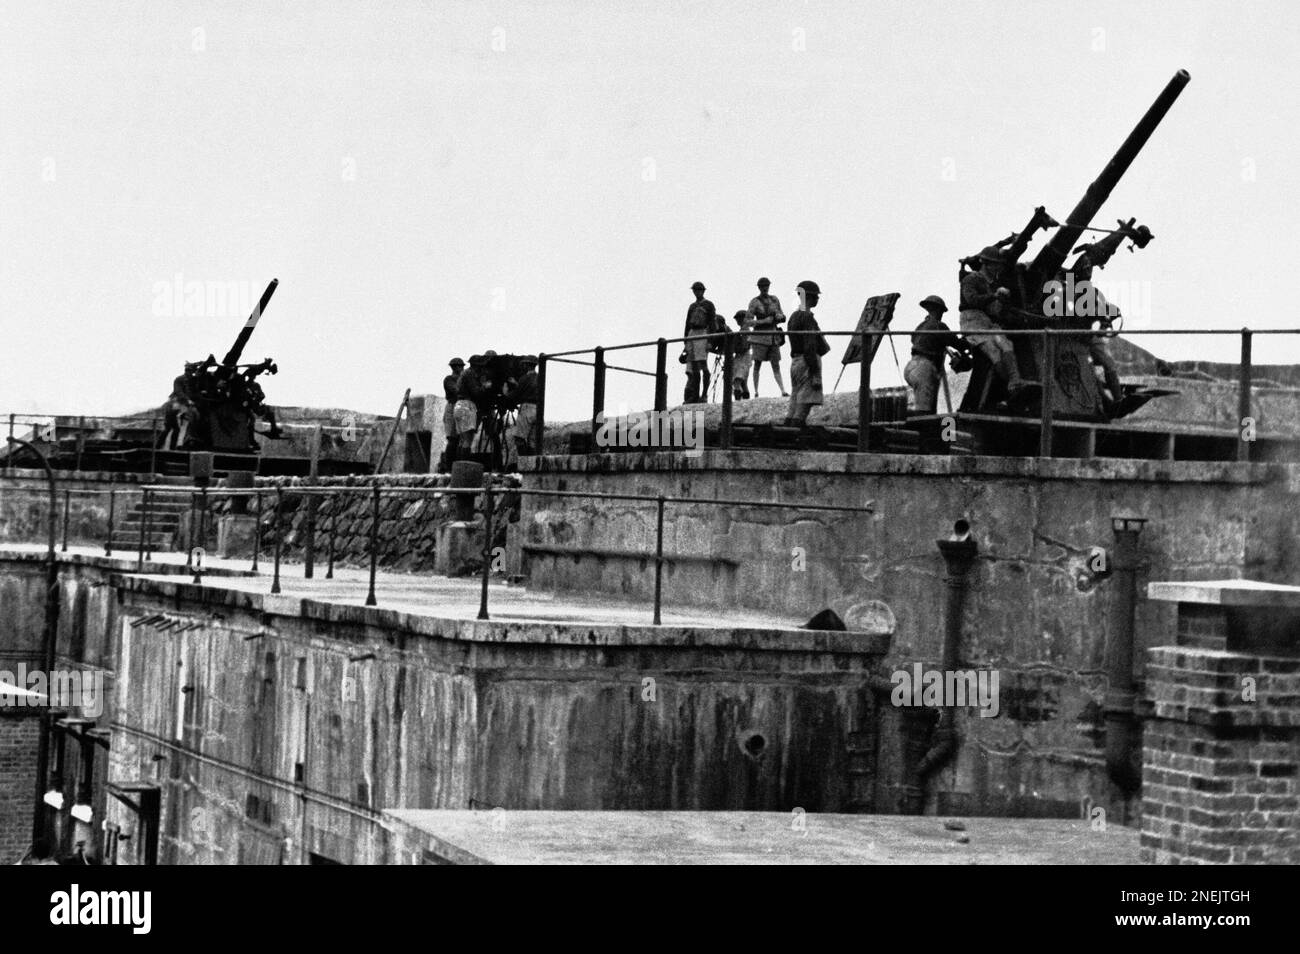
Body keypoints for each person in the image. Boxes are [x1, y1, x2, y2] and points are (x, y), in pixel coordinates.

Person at [959, 246, 1033, 399]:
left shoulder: (990, 284)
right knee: (993, 352)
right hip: (972, 322)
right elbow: (971, 299)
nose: (998, 268)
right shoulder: (971, 279)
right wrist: (994, 296)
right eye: (996, 264)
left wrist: (1005, 304)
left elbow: (995, 311)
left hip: (987, 322)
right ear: (986, 264)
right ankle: (1012, 389)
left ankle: (1015, 381)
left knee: (1006, 344)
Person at [903, 296, 968, 414]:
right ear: (939, 310)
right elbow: (957, 344)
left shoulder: (920, 326)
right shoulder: (939, 326)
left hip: (911, 366)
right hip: (924, 369)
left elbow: (914, 340)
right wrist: (970, 342)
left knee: (927, 408)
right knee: (924, 413)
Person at [785, 280, 829, 427]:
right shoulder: (807, 317)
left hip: (796, 362)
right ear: (810, 297)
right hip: (807, 362)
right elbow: (810, 345)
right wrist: (815, 371)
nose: (818, 299)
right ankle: (795, 433)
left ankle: (787, 429)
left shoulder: (793, 316)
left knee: (795, 401)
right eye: (816, 296)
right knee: (805, 403)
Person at [747, 277, 788, 397]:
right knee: (757, 364)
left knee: (776, 364)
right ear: (759, 288)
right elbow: (748, 321)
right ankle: (756, 392)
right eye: (762, 286)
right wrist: (764, 321)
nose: (765, 288)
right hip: (759, 337)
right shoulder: (754, 302)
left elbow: (782, 314)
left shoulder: (774, 300)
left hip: (773, 335)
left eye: (767, 286)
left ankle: (783, 390)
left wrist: (779, 317)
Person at [682, 281, 715, 404]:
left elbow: (712, 323)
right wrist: (685, 341)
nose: (697, 292)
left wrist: (710, 340)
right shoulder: (692, 306)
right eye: (695, 290)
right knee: (694, 366)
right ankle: (695, 395)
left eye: (699, 290)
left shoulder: (708, 305)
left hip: (702, 333)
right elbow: (687, 323)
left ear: (703, 291)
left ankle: (704, 394)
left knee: (702, 364)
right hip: (692, 334)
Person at [454, 354, 487, 458]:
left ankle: (458, 466)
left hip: (459, 405)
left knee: (463, 439)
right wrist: (485, 386)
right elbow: (476, 392)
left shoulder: (465, 373)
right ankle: (464, 466)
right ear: (476, 366)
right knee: (468, 439)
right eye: (480, 366)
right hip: (467, 406)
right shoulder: (470, 374)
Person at [507, 355, 540, 458]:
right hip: (538, 409)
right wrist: (518, 384)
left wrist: (506, 393)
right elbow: (529, 388)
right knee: (532, 441)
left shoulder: (524, 378)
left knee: (519, 438)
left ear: (526, 365)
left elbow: (516, 394)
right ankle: (531, 466)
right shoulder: (539, 377)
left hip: (526, 408)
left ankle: (523, 463)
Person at [440, 357, 464, 470]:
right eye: (460, 366)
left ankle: (455, 467)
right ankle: (448, 467)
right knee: (452, 439)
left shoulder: (462, 378)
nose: (462, 368)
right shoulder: (449, 379)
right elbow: (456, 390)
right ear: (454, 367)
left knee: (460, 439)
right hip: (452, 406)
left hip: (461, 407)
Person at [731, 310, 753, 399]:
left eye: (739, 318)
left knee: (737, 380)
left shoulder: (745, 331)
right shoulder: (744, 330)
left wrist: (735, 348)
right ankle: (745, 400)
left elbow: (744, 346)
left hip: (743, 357)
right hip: (745, 357)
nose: (737, 321)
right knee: (743, 382)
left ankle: (738, 400)